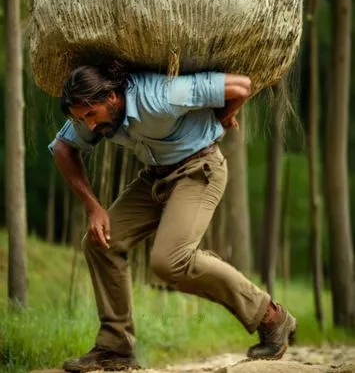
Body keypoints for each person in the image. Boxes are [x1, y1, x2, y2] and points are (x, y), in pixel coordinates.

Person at [50, 62, 296, 372]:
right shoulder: (95, 115)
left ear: (112, 96)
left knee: (169, 261)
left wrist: (220, 118)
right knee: (101, 243)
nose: (87, 126)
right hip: (154, 178)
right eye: (80, 119)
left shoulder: (160, 96)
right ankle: (115, 349)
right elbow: (62, 148)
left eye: (90, 115)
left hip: (199, 169)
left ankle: (272, 318)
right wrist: (93, 207)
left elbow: (242, 85)